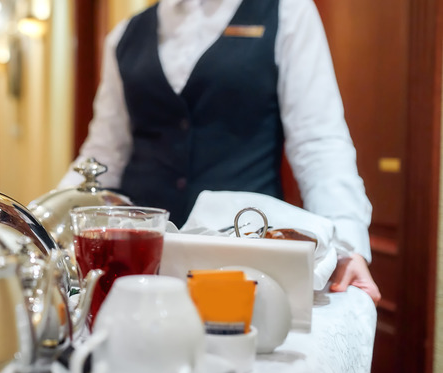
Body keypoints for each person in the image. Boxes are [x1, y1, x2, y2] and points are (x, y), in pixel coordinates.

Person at [58, 0, 381, 303]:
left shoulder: (287, 11)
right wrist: (47, 222)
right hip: (140, 262)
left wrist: (345, 247)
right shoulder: (124, 35)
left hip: (244, 254)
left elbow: (318, 141)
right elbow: (104, 153)